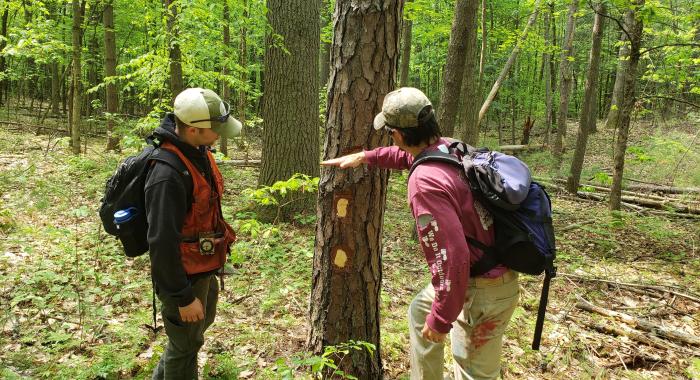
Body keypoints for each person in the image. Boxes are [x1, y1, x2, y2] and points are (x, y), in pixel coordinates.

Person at [321, 87, 519, 380]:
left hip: (482, 290)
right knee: (419, 311)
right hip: (490, 275)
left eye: (390, 132)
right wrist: (366, 156)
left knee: (474, 373)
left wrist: (440, 320)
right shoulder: (450, 148)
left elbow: (452, 258)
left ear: (399, 135)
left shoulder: (425, 184)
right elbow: (408, 158)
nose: (391, 139)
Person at [146, 87, 240, 380]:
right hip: (182, 277)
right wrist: (182, 297)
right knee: (185, 344)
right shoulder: (167, 175)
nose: (219, 136)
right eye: (215, 130)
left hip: (200, 269)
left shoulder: (196, 152)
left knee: (186, 341)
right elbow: (161, 243)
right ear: (192, 129)